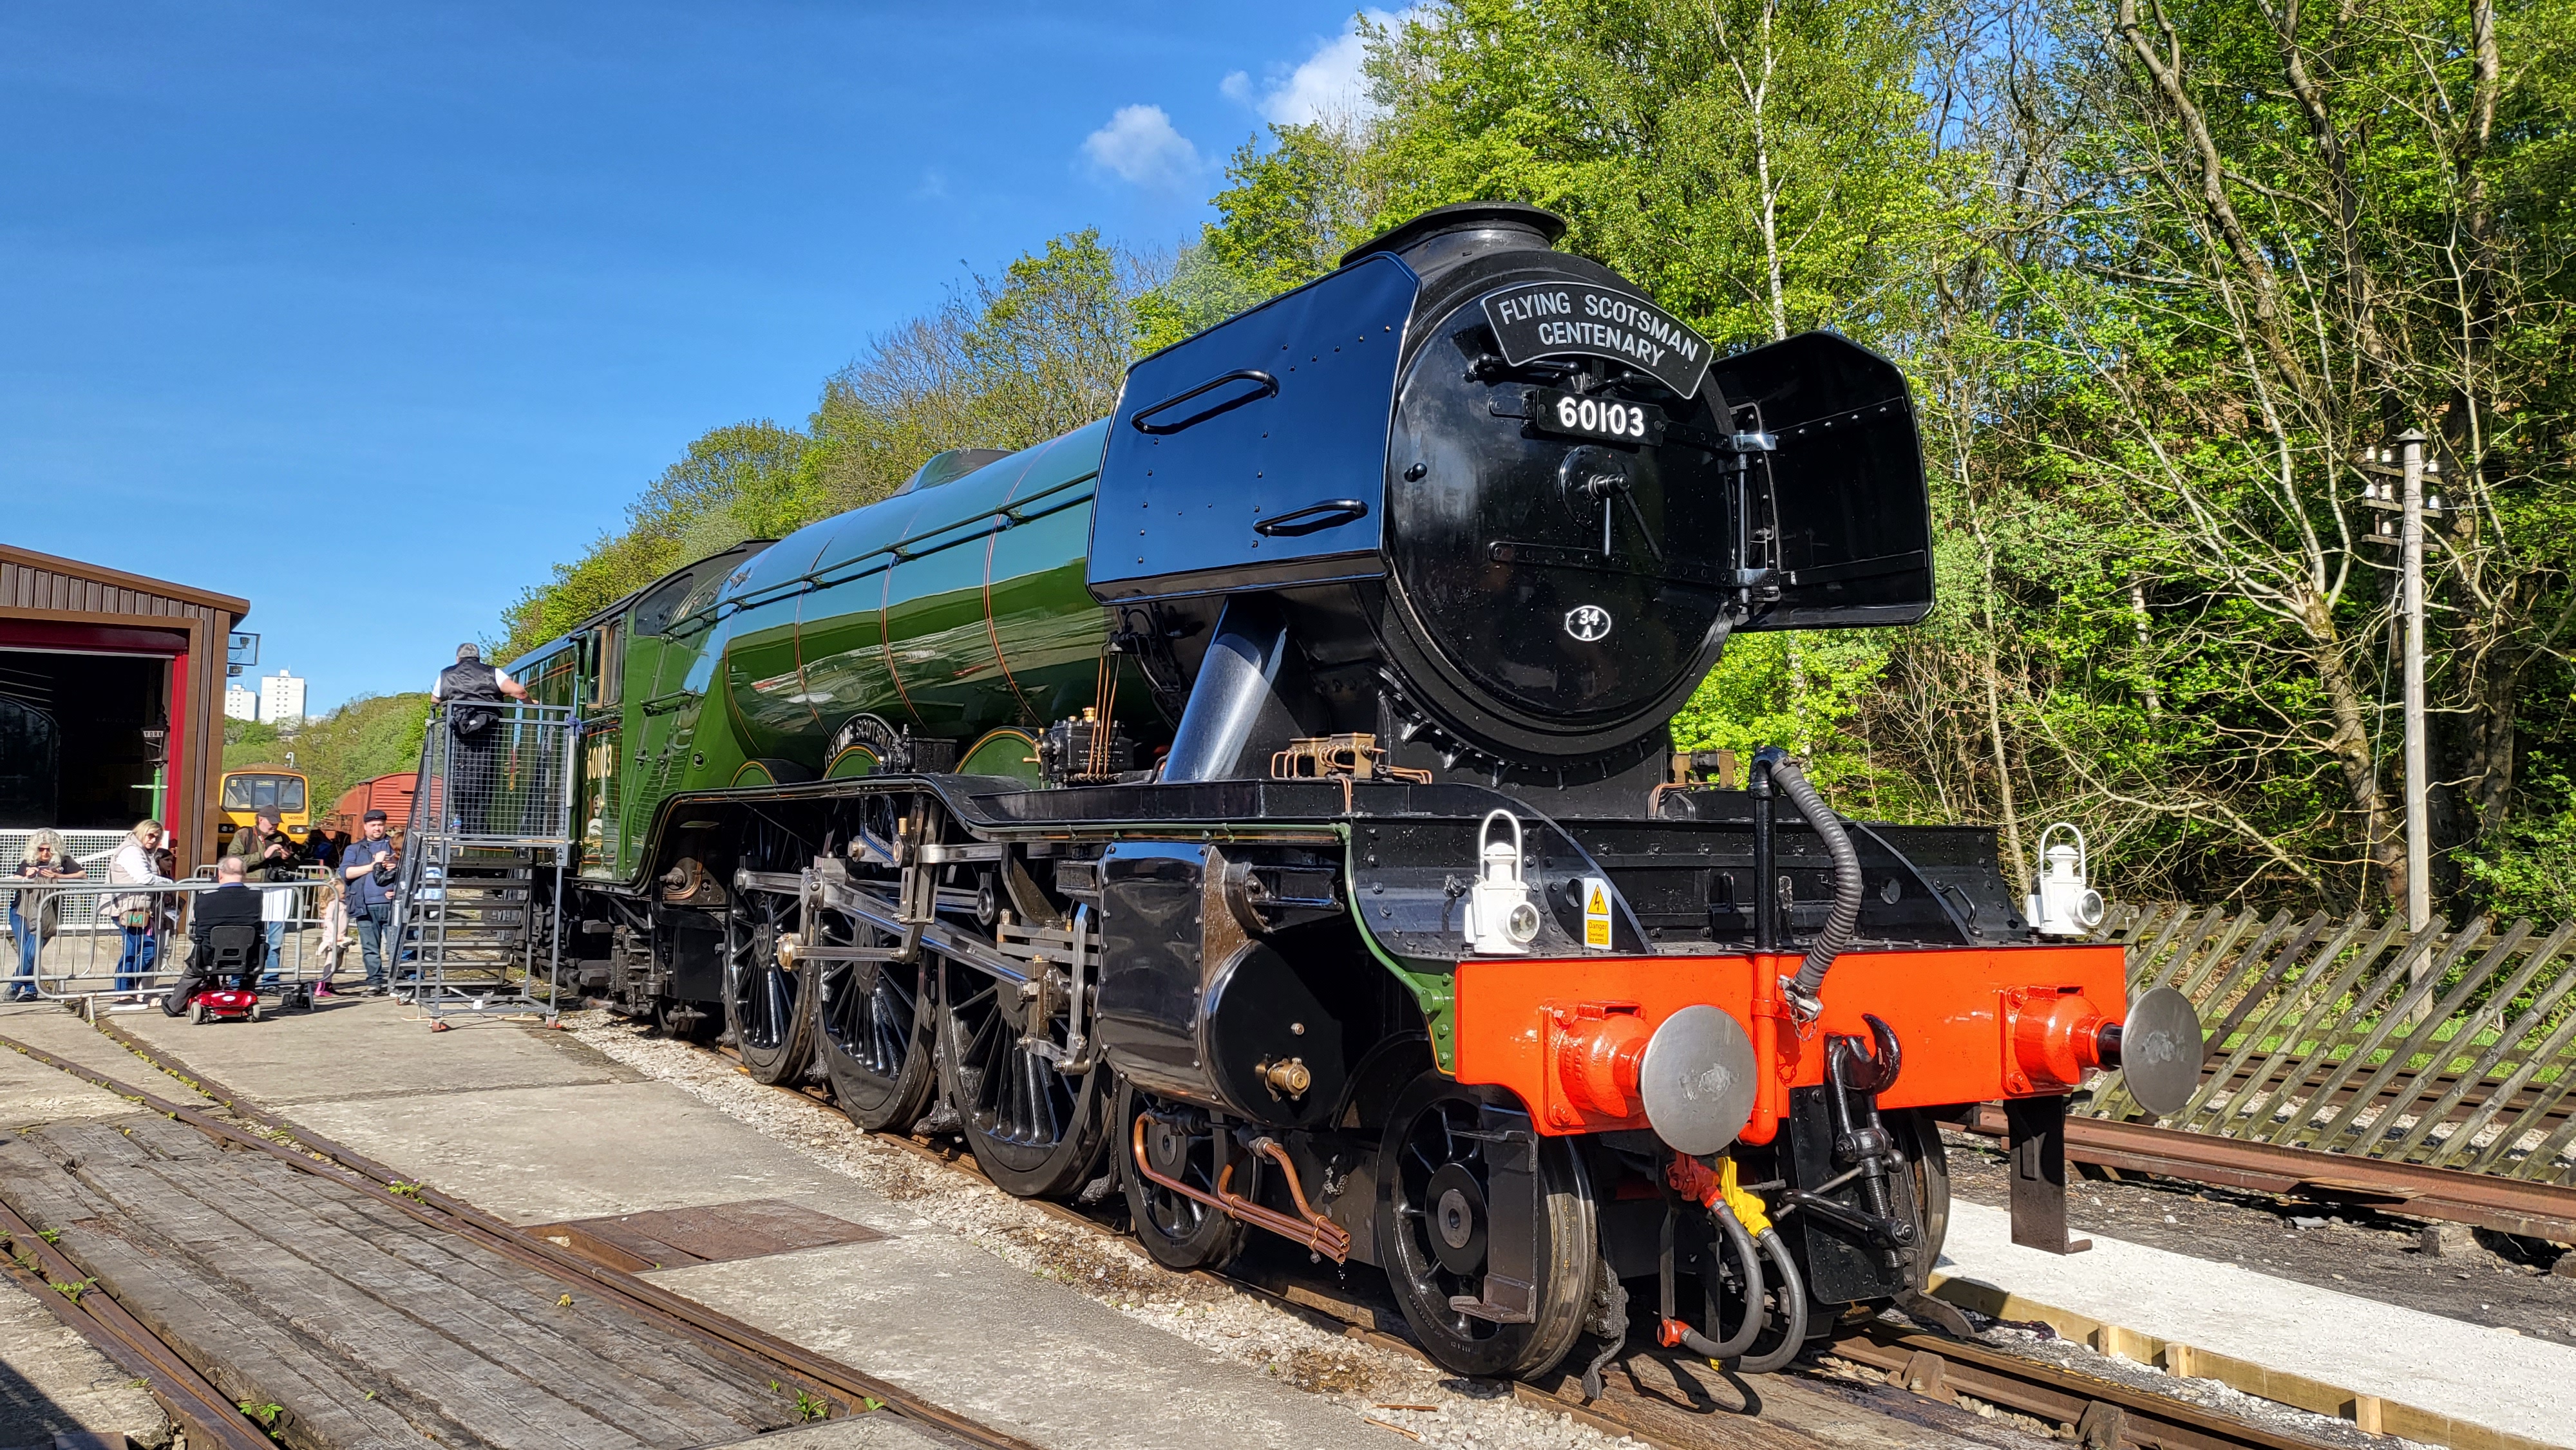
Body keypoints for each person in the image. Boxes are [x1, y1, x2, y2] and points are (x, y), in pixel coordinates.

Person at [432, 643, 529, 836]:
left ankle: (461, 824)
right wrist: (529, 703)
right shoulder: (492, 673)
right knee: (485, 778)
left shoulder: (446, 674)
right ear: (478, 658)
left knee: (458, 779)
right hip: (487, 734)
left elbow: (435, 699)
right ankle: (478, 827)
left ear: (458, 659)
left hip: (457, 735)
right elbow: (519, 691)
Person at [161, 856, 263, 1015]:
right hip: (247, 955)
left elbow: (199, 925)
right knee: (260, 946)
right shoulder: (256, 897)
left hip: (209, 955)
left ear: (220, 874)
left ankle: (175, 1005)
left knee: (194, 968)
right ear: (244, 873)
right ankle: (246, 990)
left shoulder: (206, 898)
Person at [8, 832, 83, 1002]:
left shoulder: (64, 861)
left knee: (32, 952)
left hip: (47, 911)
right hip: (22, 910)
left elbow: (82, 875)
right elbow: (15, 879)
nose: (44, 853)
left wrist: (59, 876)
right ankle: (30, 989)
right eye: (40, 849)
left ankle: (15, 983)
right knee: (25, 952)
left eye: (48, 849)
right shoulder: (30, 860)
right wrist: (28, 876)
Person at [104, 820, 172, 993]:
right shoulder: (131, 850)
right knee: (132, 950)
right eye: (150, 835)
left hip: (140, 910)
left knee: (149, 950)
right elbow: (145, 878)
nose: (153, 840)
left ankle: (130, 987)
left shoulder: (143, 852)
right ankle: (122, 992)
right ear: (141, 833)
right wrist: (170, 883)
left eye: (158, 838)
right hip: (126, 909)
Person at [341, 809, 401, 994]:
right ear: (365, 827)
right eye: (373, 825)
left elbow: (410, 871)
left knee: (396, 947)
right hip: (364, 906)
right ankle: (374, 982)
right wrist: (373, 866)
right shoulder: (355, 849)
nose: (377, 828)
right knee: (370, 948)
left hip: (392, 905)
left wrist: (396, 868)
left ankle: (397, 982)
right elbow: (346, 873)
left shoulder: (395, 846)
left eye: (380, 825)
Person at [242, 809, 303, 988]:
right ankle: (242, 981)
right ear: (261, 820)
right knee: (247, 938)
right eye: (272, 822)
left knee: (275, 941)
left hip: (277, 892)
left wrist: (288, 858)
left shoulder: (282, 838)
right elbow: (234, 860)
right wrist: (264, 855)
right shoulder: (245, 834)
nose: (275, 826)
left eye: (277, 822)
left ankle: (271, 981)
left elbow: (295, 865)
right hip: (251, 890)